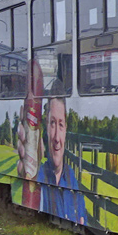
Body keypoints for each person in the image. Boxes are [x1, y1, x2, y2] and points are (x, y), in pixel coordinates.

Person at [38, 96, 84, 224]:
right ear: (46, 128)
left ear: (66, 131)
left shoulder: (72, 179)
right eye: (52, 124)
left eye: (61, 125)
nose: (57, 138)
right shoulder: (37, 176)